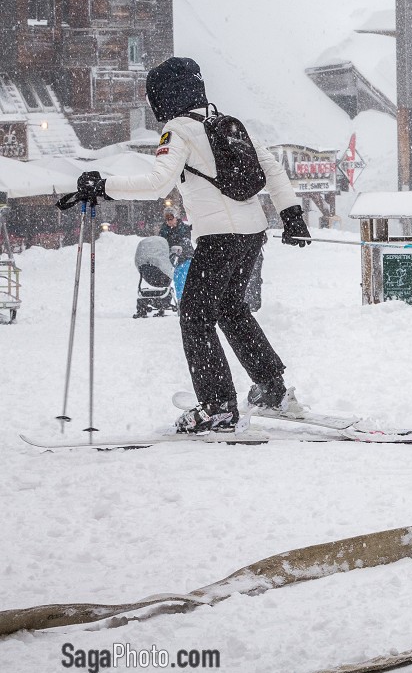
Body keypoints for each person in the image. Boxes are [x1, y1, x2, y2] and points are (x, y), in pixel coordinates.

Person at [60, 56, 310, 433]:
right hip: (253, 233)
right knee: (230, 309)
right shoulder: (229, 123)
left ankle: (217, 406)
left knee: (195, 316)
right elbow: (272, 169)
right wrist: (292, 216)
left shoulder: (178, 130)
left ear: (162, 96)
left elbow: (157, 184)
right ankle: (272, 389)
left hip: (218, 237)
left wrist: (103, 186)